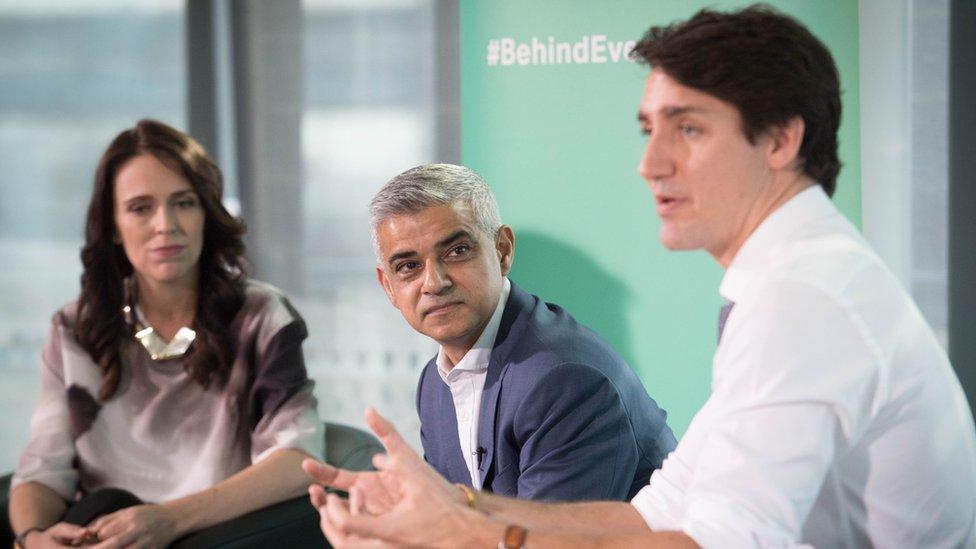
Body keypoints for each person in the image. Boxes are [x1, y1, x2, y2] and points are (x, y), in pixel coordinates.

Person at [303, 5, 976, 548]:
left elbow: (714, 542)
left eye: (687, 129)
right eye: (648, 128)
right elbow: (659, 511)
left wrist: (461, 534)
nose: (650, 163)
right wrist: (455, 505)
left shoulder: (804, 299)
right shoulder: (790, 282)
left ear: (780, 140)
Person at [8, 119, 324, 548]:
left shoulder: (260, 315)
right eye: (141, 208)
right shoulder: (73, 328)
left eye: (183, 203)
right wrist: (33, 538)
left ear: (206, 215)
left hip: (223, 535)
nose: (165, 224)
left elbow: (297, 459)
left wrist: (169, 520)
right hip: (105, 532)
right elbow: (43, 469)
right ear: (114, 226)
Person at [367, 164, 675, 502]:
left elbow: (548, 539)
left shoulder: (564, 379)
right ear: (389, 288)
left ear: (502, 250)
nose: (434, 282)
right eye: (408, 267)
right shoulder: (434, 382)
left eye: (457, 252)